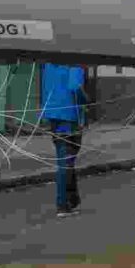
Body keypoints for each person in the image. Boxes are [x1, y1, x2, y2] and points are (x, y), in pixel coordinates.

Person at [41, 62, 87, 216]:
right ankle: (62, 204)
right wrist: (86, 99)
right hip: (69, 117)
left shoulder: (48, 64)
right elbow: (75, 87)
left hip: (53, 115)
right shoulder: (74, 61)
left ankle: (72, 198)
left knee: (66, 157)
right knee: (66, 159)